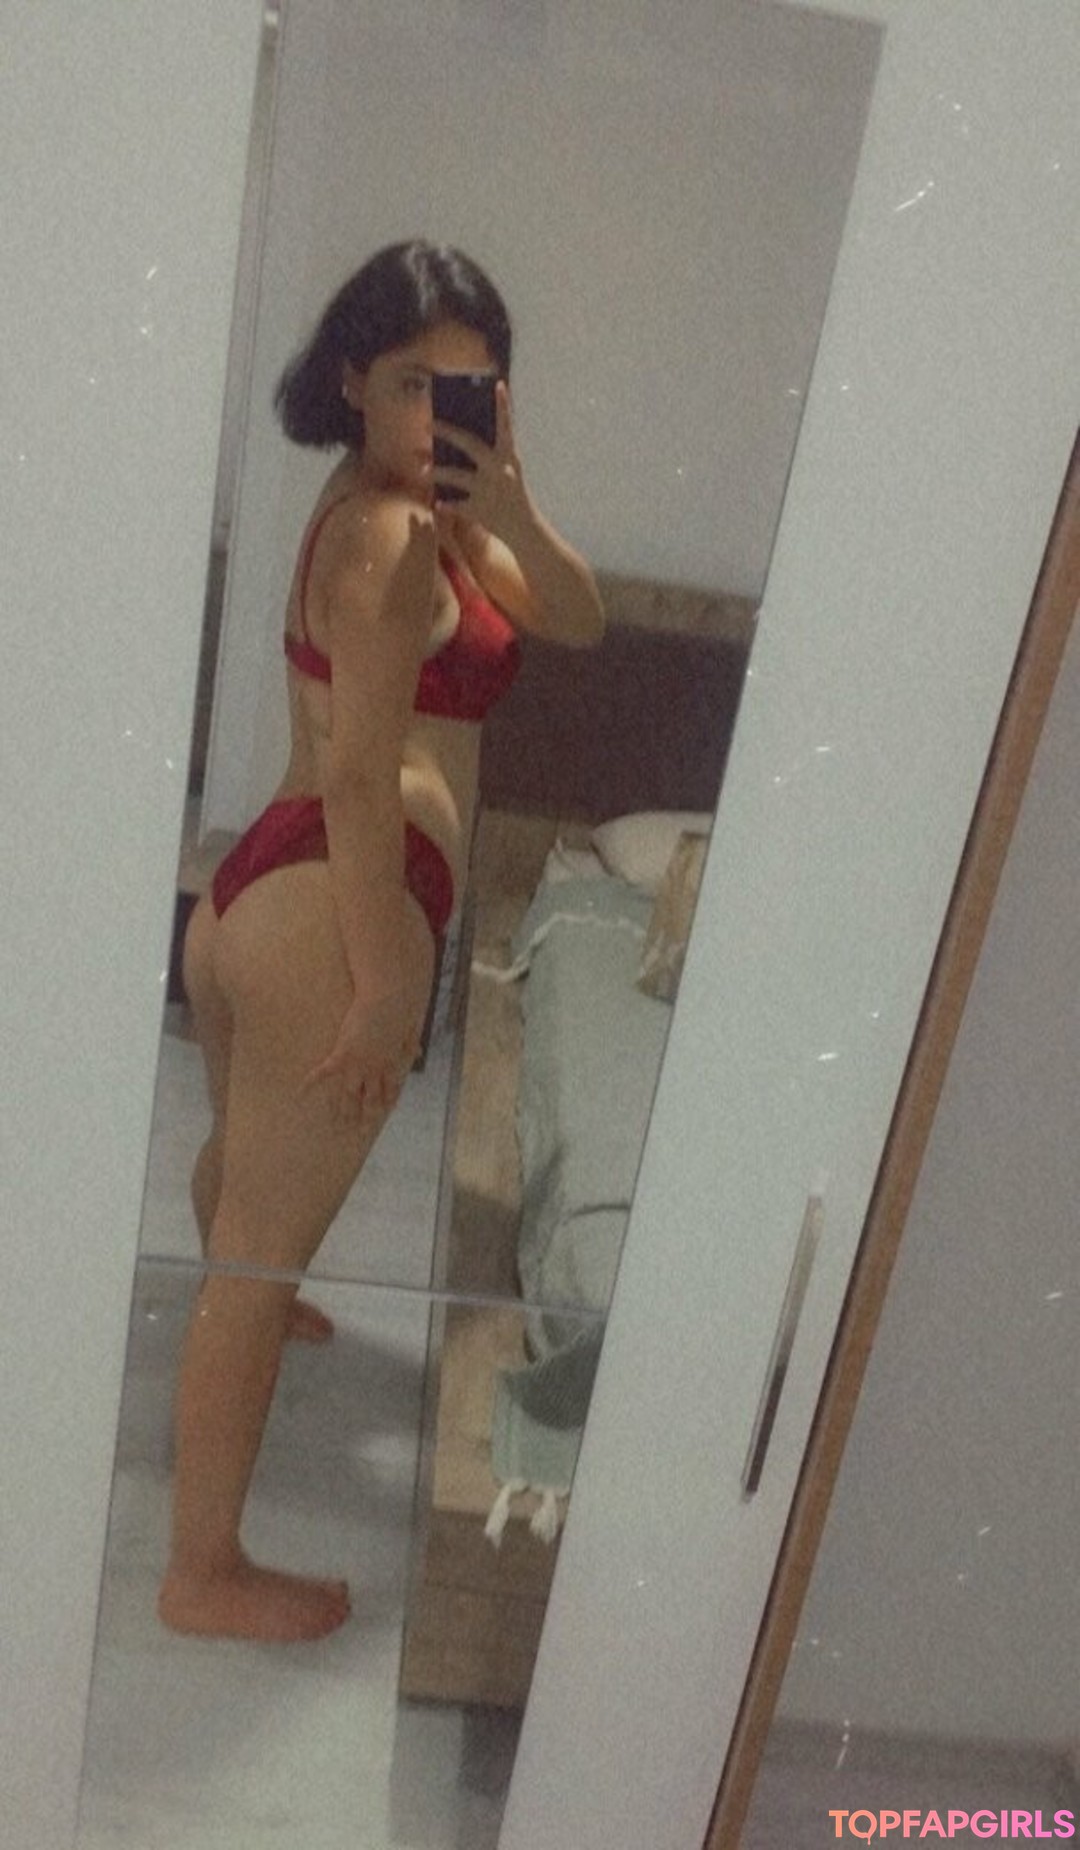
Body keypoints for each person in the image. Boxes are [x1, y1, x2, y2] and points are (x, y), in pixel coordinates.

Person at [158, 240, 604, 1642]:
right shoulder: (396, 542)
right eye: (409, 383)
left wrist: (512, 500)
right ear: (351, 378)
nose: (432, 416)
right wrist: (386, 973)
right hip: (337, 899)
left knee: (245, 1188)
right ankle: (201, 1570)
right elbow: (360, 777)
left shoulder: (415, 514)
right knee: (257, 1247)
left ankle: (247, 1309)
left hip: (258, 894)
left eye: (464, 387)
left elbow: (578, 616)